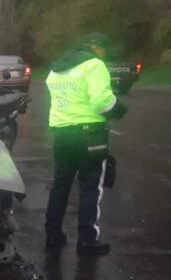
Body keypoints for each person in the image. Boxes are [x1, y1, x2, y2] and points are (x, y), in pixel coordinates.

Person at [44, 32, 127, 256]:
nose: (104, 56)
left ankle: (53, 234)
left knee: (60, 185)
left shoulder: (56, 69)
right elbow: (102, 102)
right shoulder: (94, 65)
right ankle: (87, 240)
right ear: (97, 48)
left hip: (62, 134)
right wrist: (119, 107)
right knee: (90, 187)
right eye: (104, 51)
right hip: (89, 135)